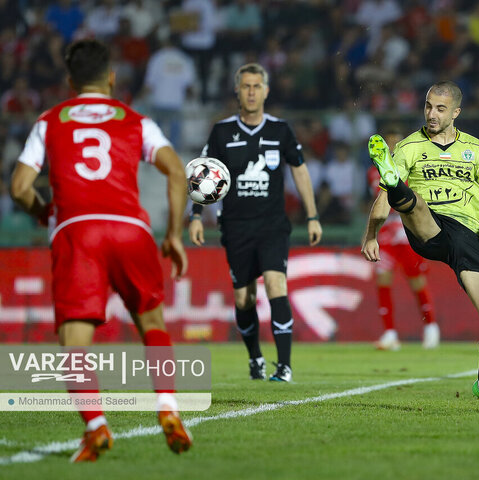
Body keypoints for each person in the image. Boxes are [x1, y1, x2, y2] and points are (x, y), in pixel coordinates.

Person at [9, 39, 191, 462]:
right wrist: (175, 234)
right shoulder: (136, 120)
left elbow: (19, 187)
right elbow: (177, 171)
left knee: (76, 339)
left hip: (78, 232)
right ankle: (168, 407)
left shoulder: (50, 120)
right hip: (131, 229)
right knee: (152, 322)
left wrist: (43, 212)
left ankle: (95, 425)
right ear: (111, 77)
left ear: (71, 82)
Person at [362, 81, 479, 413]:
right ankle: (395, 181)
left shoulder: (476, 149)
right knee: (413, 201)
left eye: (440, 108)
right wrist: (371, 235)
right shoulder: (408, 147)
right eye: (428, 106)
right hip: (429, 228)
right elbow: (381, 203)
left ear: (456, 113)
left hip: (469, 236)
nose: (431, 114)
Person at [189, 63, 322, 383]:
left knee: (277, 284)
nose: (251, 92)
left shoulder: (281, 130)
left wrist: (312, 215)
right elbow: (203, 175)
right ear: (237, 91)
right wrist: (195, 216)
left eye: (256, 86)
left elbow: (299, 170)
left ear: (266, 90)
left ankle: (285, 366)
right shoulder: (222, 132)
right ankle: (255, 358)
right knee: (243, 298)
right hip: (235, 226)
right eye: (245, 86)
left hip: (273, 225)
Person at [366, 125, 439, 351]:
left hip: (408, 231)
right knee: (383, 280)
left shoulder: (414, 168)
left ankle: (431, 327)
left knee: (416, 281)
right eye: (389, 143)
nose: (392, 147)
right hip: (387, 233)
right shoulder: (374, 172)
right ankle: (389, 333)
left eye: (396, 143)